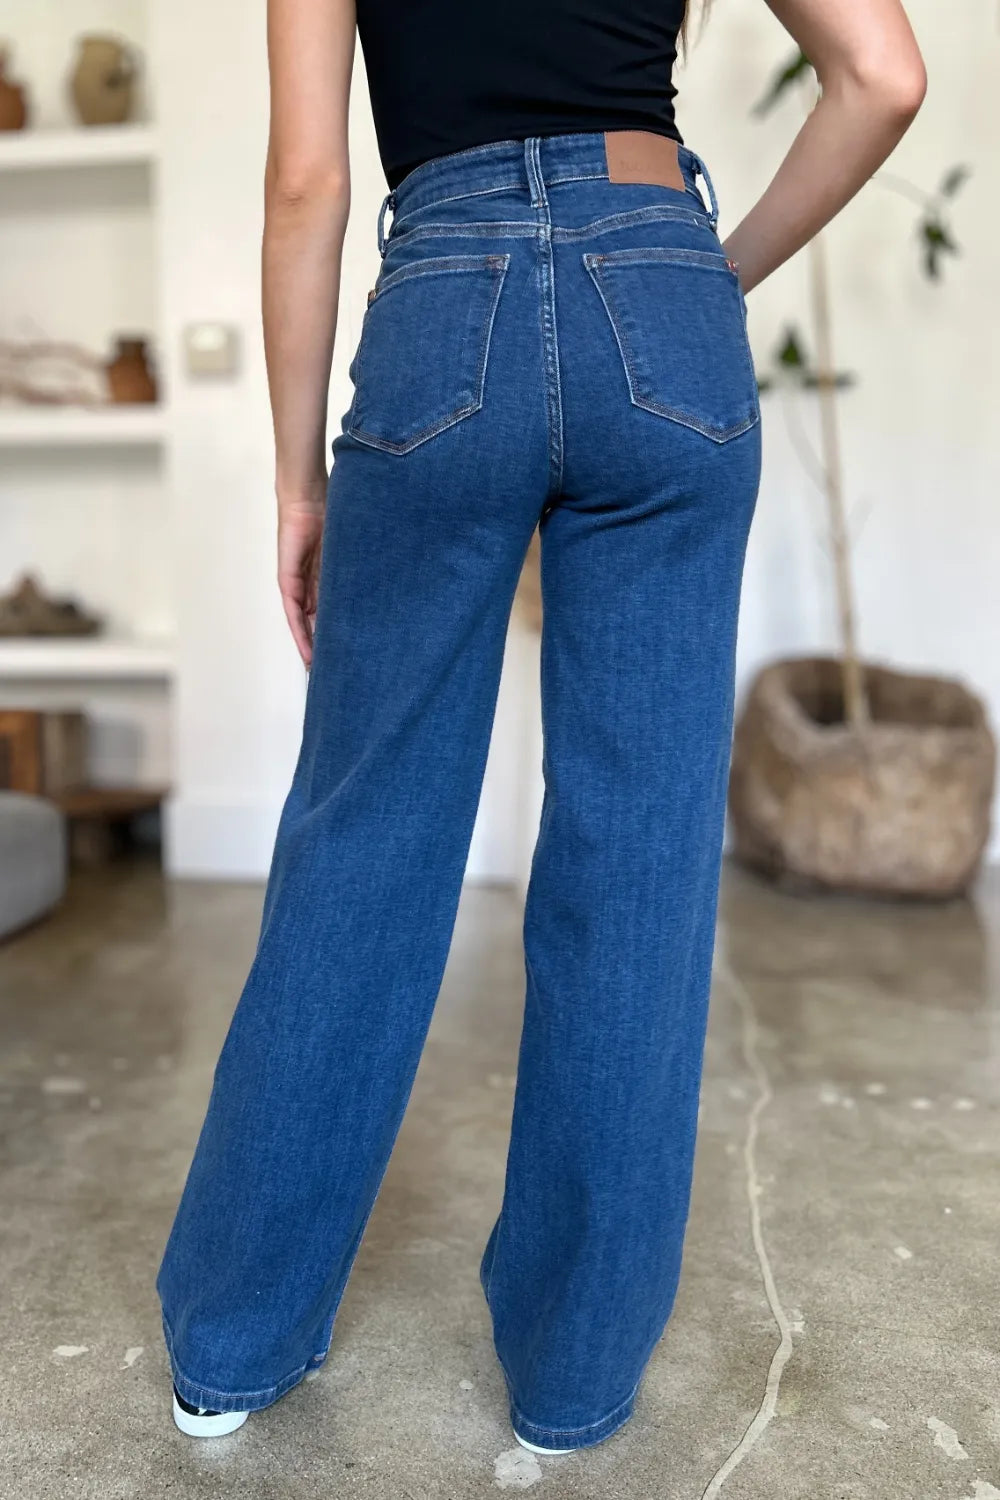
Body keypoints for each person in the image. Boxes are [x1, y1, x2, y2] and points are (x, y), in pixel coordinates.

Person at [156, 0, 926, 1452]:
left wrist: (295, 483)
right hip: (664, 286)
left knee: (363, 841)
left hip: (446, 300)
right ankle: (575, 1382)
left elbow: (310, 180)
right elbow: (883, 77)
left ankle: (234, 1345)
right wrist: (705, 277)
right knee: (637, 856)